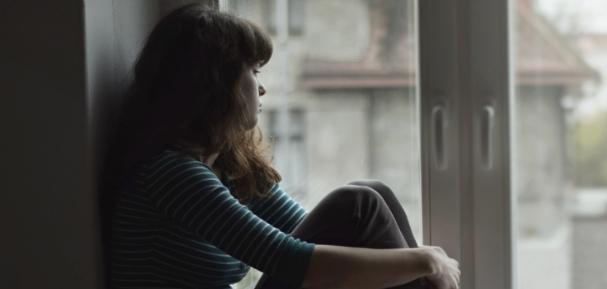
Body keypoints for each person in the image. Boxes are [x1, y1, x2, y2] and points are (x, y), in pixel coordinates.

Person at [104, 3, 460, 289]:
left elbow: (320, 232)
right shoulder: (171, 174)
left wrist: (416, 262)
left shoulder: (225, 165)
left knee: (369, 194)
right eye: (254, 72)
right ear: (217, 83)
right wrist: (426, 260)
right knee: (360, 203)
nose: (262, 89)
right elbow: (292, 261)